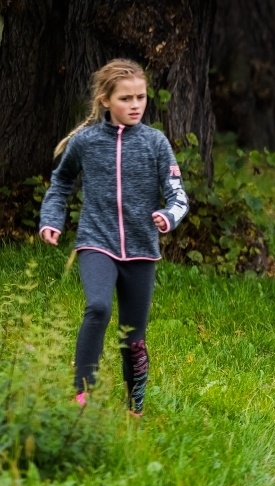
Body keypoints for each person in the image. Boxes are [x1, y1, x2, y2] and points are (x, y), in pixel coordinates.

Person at [38, 58, 189, 416]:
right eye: (126, 98)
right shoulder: (86, 142)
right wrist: (51, 218)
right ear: (105, 100)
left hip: (141, 248)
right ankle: (81, 395)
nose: (135, 105)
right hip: (96, 241)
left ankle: (135, 405)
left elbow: (179, 196)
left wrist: (167, 218)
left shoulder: (155, 143)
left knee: (133, 337)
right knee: (98, 307)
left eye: (140, 97)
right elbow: (60, 183)